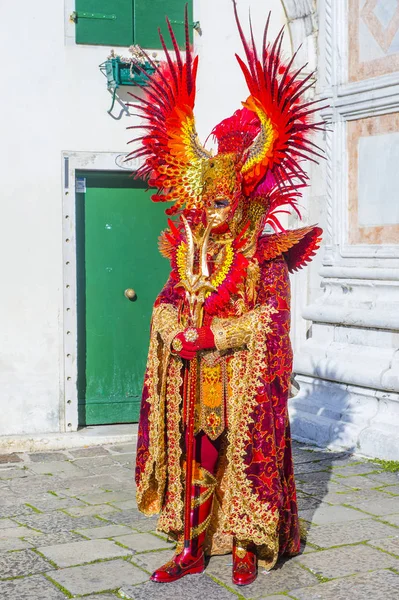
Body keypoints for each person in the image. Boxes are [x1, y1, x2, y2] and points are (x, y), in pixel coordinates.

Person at [128, 1, 325, 586]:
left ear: (239, 197)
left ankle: (244, 543)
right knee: (197, 448)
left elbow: (271, 323)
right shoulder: (191, 251)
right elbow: (167, 301)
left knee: (241, 449)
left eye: (220, 203)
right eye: (204, 202)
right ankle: (193, 543)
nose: (210, 215)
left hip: (241, 378)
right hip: (194, 374)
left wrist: (215, 333)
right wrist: (174, 328)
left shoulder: (266, 255)